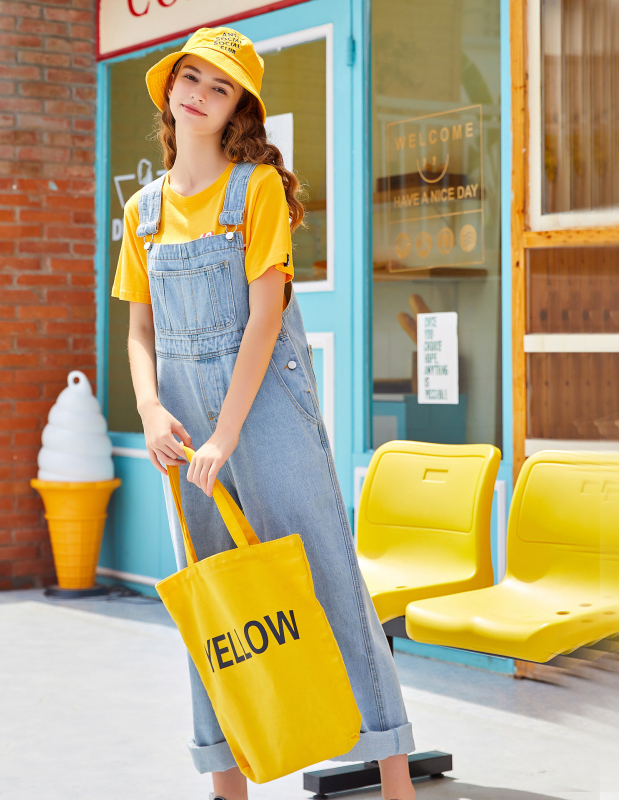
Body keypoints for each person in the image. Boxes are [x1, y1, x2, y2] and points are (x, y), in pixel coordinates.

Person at [110, 26, 416, 800]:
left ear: (237, 109)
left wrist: (228, 432)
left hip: (266, 406)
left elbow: (265, 315)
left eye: (219, 87)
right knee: (212, 596)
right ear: (170, 88)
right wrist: (150, 410)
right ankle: (227, 784)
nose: (199, 94)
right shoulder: (142, 213)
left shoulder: (257, 190)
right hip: (182, 422)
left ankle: (394, 775)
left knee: (327, 575)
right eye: (191, 77)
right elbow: (140, 330)